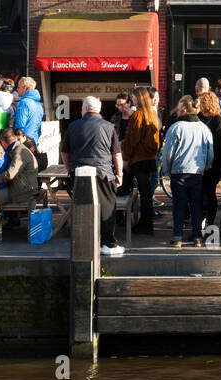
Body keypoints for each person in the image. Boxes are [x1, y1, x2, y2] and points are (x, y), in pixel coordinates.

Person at [62, 97, 125, 257]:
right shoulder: (109, 126)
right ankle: (108, 244)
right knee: (107, 208)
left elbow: (64, 152)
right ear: (98, 109)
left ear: (84, 108)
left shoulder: (73, 126)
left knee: (82, 207)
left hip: (79, 172)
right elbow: (116, 154)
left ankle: (85, 242)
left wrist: (70, 169)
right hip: (103, 172)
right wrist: (119, 174)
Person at [161, 96, 214, 248]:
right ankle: (197, 237)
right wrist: (206, 167)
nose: (176, 112)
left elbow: (168, 153)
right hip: (197, 171)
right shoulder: (204, 128)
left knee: (179, 205)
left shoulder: (175, 128)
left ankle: (178, 237)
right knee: (196, 204)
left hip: (178, 171)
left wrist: (167, 169)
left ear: (184, 110)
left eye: (178, 109)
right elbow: (210, 153)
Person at [120, 85, 161, 236]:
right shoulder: (152, 114)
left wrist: (125, 157)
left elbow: (132, 138)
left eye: (134, 97)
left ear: (140, 98)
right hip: (149, 157)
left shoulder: (138, 115)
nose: (132, 99)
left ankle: (144, 224)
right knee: (146, 191)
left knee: (143, 191)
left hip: (139, 158)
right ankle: (145, 223)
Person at [197, 89, 221, 233]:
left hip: (213, 164)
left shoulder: (218, 121)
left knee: (209, 193)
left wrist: (215, 166)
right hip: (199, 163)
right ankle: (201, 220)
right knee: (200, 193)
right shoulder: (198, 118)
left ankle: (210, 221)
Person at [12, 77, 43, 145]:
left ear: (24, 88)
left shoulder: (23, 102)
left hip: (24, 142)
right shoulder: (39, 105)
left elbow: (20, 125)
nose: (17, 89)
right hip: (34, 141)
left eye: (18, 87)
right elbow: (39, 128)